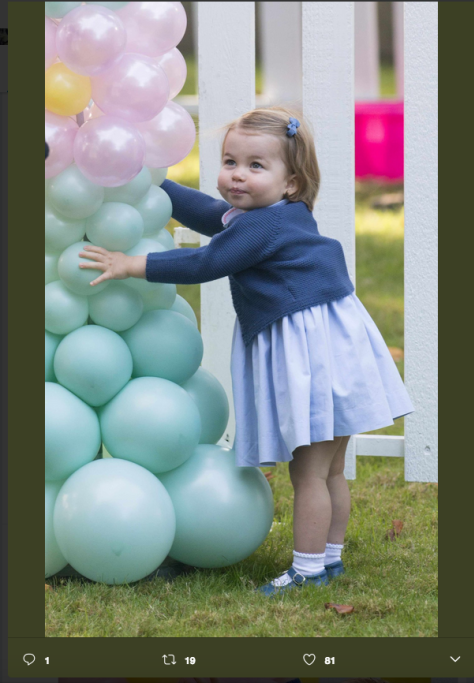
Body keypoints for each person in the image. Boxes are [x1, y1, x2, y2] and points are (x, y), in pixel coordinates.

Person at [78, 105, 415, 597]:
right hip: (333, 349)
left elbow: (206, 262)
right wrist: (149, 181)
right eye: (230, 161)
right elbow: (206, 212)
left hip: (311, 356)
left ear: (291, 182)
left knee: (309, 472)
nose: (237, 175)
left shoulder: (262, 228)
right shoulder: (277, 215)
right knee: (330, 469)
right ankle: (330, 558)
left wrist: (131, 264)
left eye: (256, 166)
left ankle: (308, 570)